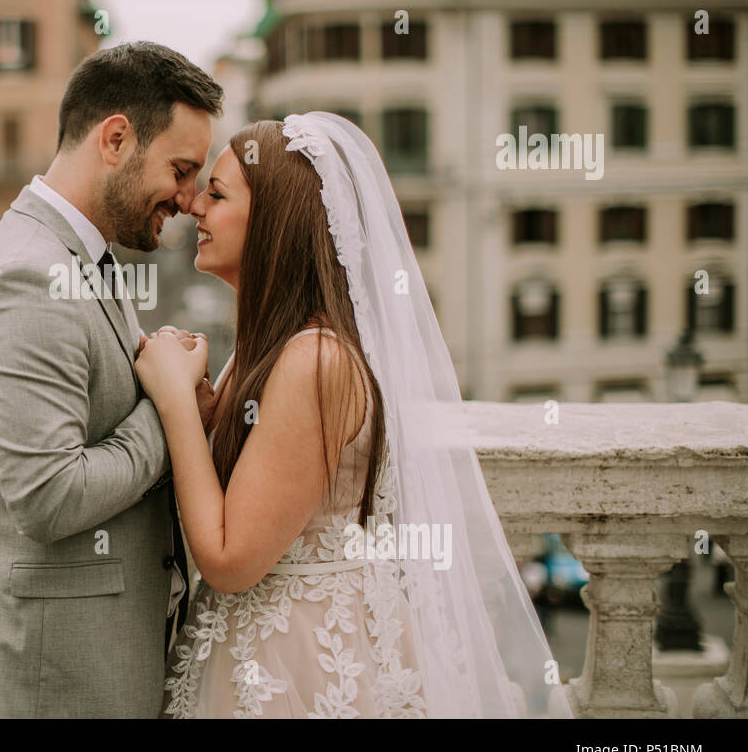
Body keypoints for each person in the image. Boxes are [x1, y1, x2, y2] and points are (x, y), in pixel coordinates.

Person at [136, 112, 573, 718]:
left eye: (217, 192)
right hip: (257, 650)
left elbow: (232, 559)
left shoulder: (315, 361)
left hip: (308, 663)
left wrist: (175, 403)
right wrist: (209, 414)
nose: (195, 209)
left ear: (275, 221)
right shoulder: (269, 346)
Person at [0, 41, 222, 717]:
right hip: (52, 680)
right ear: (115, 138)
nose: (186, 198)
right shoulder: (28, 277)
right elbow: (49, 498)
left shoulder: (79, 254)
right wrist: (170, 408)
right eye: (180, 170)